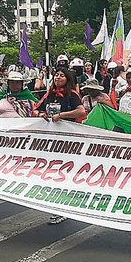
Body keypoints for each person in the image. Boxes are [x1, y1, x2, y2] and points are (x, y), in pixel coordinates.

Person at [36, 68, 86, 225]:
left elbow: (81, 111)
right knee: (53, 171)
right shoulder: (49, 94)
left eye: (62, 75)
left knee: (65, 171)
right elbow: (37, 109)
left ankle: (64, 207)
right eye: (56, 75)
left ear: (68, 78)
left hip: (68, 140)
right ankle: (57, 205)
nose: (58, 77)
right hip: (51, 141)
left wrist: (62, 116)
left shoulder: (72, 95)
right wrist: (41, 115)